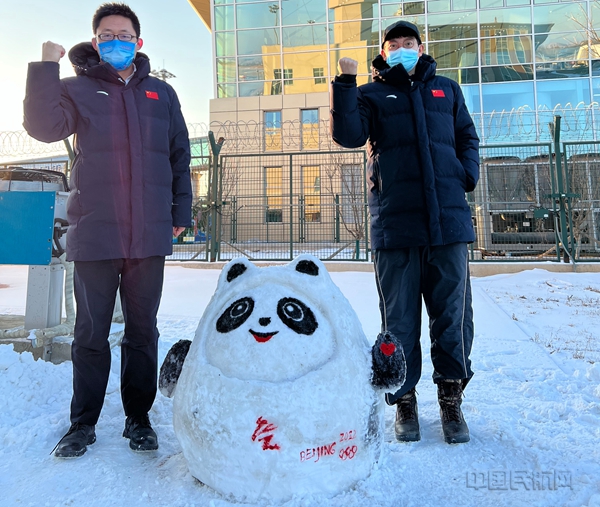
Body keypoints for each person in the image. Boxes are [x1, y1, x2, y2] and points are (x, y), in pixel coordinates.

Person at [23, 2, 192, 457]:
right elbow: (41, 125)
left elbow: (179, 155)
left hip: (148, 234)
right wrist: (44, 64)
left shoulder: (161, 94)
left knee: (142, 332)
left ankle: (138, 419)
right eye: (106, 35)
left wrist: (181, 211)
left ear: (138, 42)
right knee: (90, 335)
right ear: (96, 43)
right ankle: (83, 423)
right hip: (96, 232)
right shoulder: (77, 89)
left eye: (124, 35)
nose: (115, 41)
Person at [330, 20, 479, 444]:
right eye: (392, 45)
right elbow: (348, 135)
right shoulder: (371, 94)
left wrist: (463, 175)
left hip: (447, 225)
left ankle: (451, 401)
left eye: (408, 43)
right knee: (398, 321)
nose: (401, 49)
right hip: (395, 227)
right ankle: (405, 400)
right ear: (383, 52)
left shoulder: (447, 90)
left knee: (453, 317)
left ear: (420, 46)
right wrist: (344, 82)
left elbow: (467, 137)